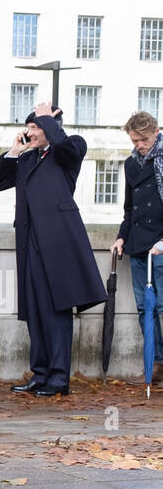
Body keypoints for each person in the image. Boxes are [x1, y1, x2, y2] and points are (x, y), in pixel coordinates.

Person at [0, 103, 106, 396]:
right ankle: (40, 373)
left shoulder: (70, 148)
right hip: (30, 242)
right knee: (35, 308)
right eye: (28, 127)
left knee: (57, 310)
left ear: (51, 126)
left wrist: (47, 118)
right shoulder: (28, 159)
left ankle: (58, 377)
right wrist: (14, 151)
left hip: (58, 243)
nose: (30, 132)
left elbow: (67, 148)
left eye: (36, 127)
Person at [111, 111, 163, 374]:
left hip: (161, 244)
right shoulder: (131, 165)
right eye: (134, 141)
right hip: (139, 243)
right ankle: (157, 362)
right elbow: (129, 209)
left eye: (143, 139)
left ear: (156, 131)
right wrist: (122, 236)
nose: (139, 145)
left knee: (161, 305)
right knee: (145, 308)